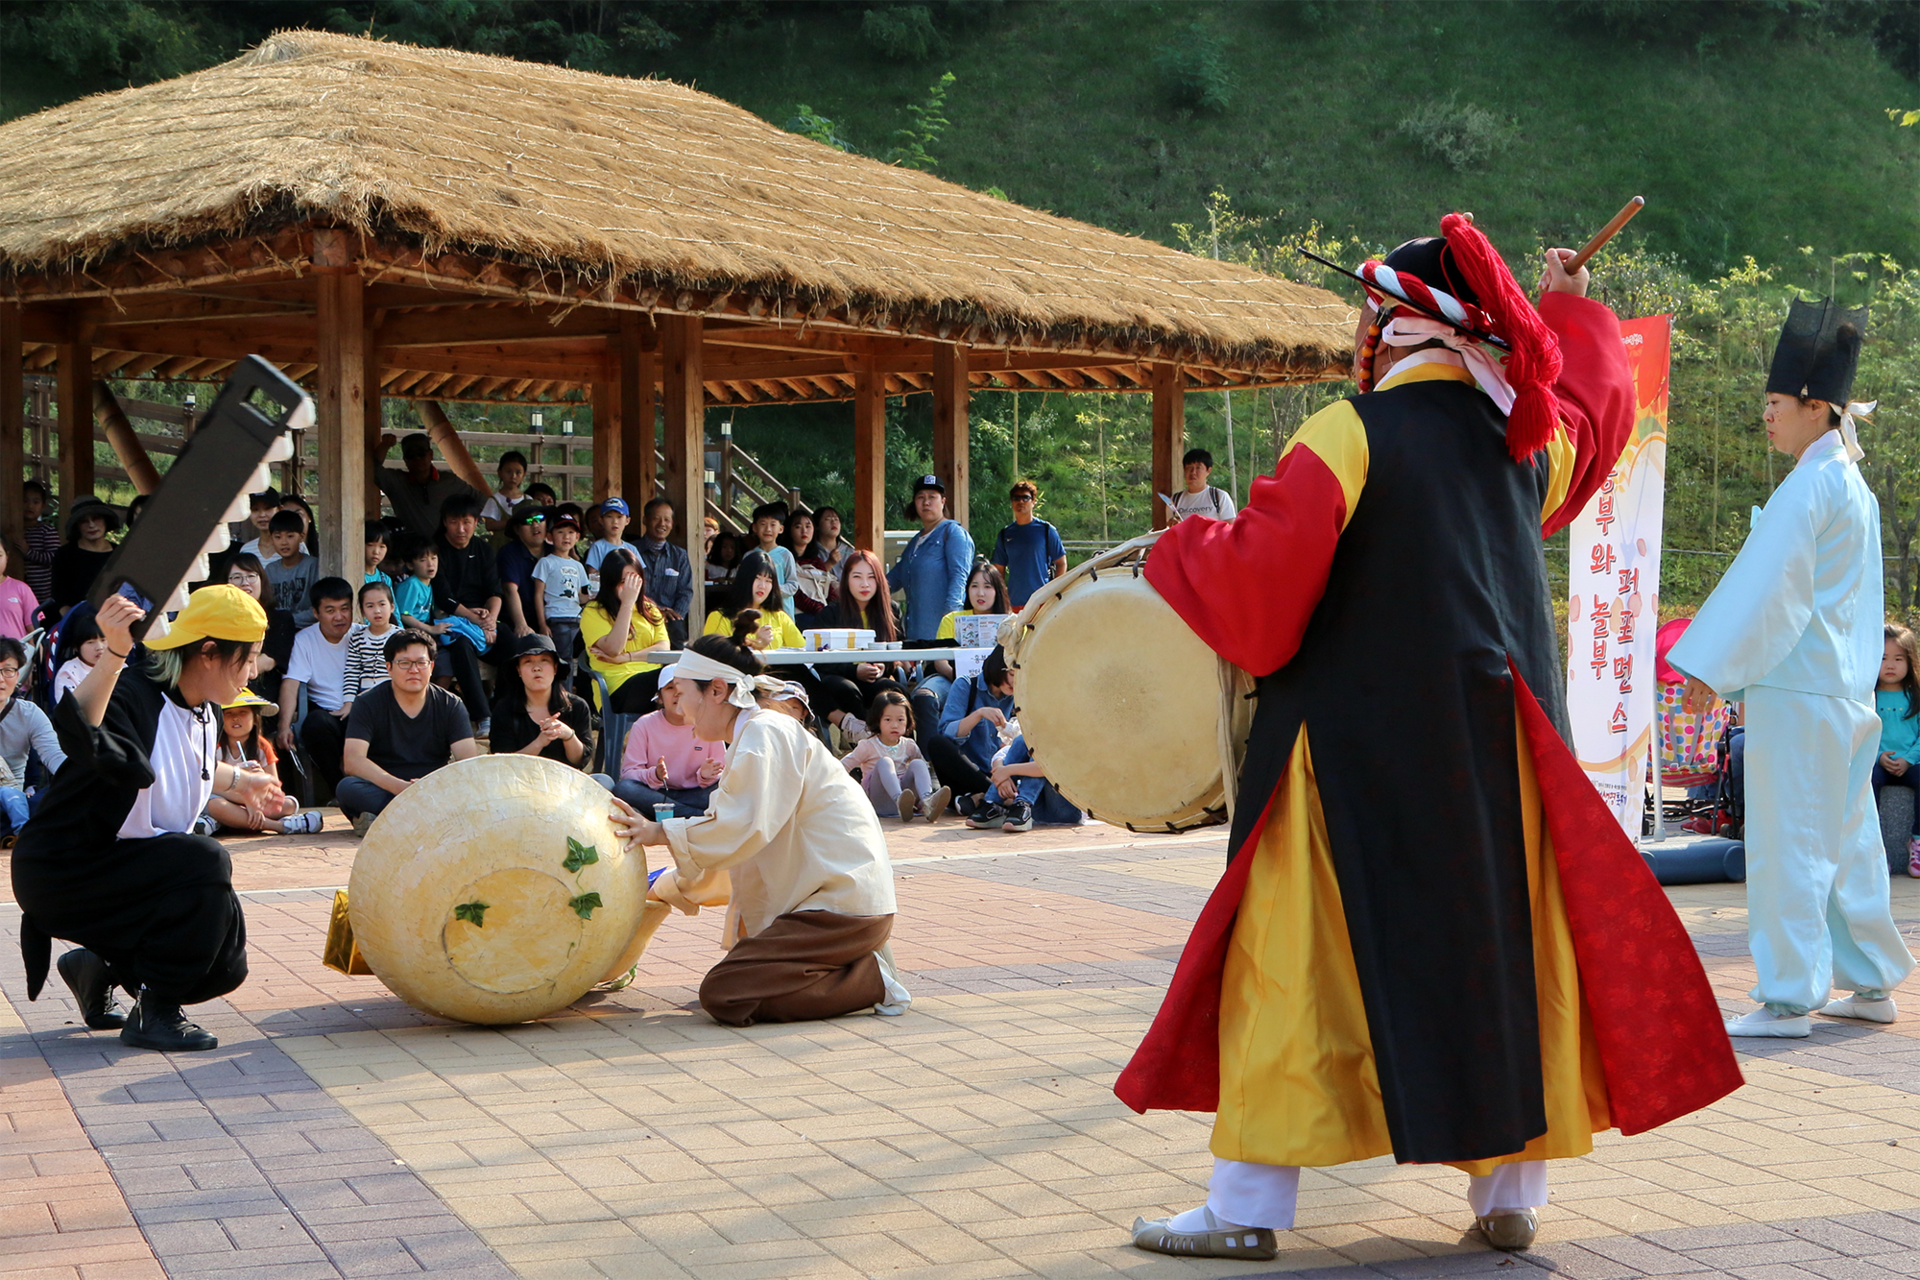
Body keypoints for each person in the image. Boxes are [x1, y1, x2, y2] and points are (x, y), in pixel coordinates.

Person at [1118, 222, 1742, 1259]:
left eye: (1370, 314)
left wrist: (1187, 545)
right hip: (1500, 758)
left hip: (1350, 755)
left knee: (1293, 963)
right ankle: (1508, 1196)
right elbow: (1596, 411)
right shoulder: (1519, 448)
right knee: (1499, 958)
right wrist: (1568, 309)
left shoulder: (1349, 431)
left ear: (1394, 326)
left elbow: (1265, 593)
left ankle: (1246, 1207)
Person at [1670, 296, 1915, 1039]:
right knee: (1845, 842)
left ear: (1814, 406)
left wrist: (1709, 669)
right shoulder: (1850, 486)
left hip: (1802, 692)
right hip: (1839, 691)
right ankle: (1870, 982)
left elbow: (1770, 590)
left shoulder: (1811, 485)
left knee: (1790, 848)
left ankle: (1788, 996)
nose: (1767, 416)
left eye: (1775, 403)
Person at [13, 586, 281, 1052]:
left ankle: (97, 968)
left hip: (128, 867)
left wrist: (239, 779)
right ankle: (154, 1012)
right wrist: (116, 650)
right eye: (249, 657)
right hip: (65, 868)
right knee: (203, 860)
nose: (254, 671)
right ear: (209, 652)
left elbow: (169, 762)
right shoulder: (133, 691)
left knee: (225, 965)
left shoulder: (206, 709)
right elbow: (80, 728)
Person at [609, 623, 911, 1025]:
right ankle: (854, 969)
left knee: (725, 994)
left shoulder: (764, 733)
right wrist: (665, 886)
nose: (678, 708)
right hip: (834, 907)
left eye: (682, 694)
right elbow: (737, 845)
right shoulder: (755, 734)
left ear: (717, 690)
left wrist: (661, 832)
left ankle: (872, 980)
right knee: (737, 984)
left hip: (839, 909)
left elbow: (739, 829)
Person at [339, 630, 478, 831]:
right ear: (389, 668)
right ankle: (423, 819)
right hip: (387, 787)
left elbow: (467, 762)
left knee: (471, 789)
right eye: (404, 663)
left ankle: (390, 821)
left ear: (431, 667)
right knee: (348, 788)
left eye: (421, 663)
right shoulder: (367, 702)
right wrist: (401, 789)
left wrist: (430, 788)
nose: (413, 670)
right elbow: (353, 761)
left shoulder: (451, 705)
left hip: (434, 788)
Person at [802, 550, 907, 740]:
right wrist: (854, 670)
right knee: (846, 689)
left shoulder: (891, 611)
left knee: (892, 690)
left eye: (871, 577)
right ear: (846, 580)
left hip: (875, 677)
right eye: (857, 577)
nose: (864, 584)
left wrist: (884, 666)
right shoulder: (831, 613)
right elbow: (817, 660)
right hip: (840, 676)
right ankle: (866, 744)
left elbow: (898, 652)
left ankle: (906, 748)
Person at [200, 692, 324, 836]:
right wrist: (247, 800)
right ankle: (278, 826)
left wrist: (260, 780)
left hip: (257, 802)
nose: (235, 718)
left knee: (289, 804)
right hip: (227, 799)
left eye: (243, 712)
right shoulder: (215, 747)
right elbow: (210, 788)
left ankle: (226, 822)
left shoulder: (262, 746)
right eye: (229, 713)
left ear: (254, 718)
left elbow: (274, 786)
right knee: (215, 805)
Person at [430, 494, 503, 734]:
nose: (460, 529)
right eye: (454, 522)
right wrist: (475, 619)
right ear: (444, 522)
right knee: (461, 647)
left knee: (514, 644)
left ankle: (507, 709)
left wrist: (491, 622)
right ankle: (483, 717)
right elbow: (443, 597)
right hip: (451, 618)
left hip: (483, 618)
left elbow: (495, 590)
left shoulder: (482, 549)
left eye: (466, 522)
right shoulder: (436, 549)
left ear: (476, 522)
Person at [614, 663, 727, 818]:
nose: (677, 694)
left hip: (696, 794)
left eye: (682, 689)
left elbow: (723, 772)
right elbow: (628, 773)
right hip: (656, 793)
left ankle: (668, 814)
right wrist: (654, 774)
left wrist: (707, 776)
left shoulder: (709, 723)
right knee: (624, 789)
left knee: (722, 790)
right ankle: (695, 816)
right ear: (659, 697)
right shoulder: (644, 724)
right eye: (670, 688)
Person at [277, 578, 356, 795]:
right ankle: (338, 791)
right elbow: (291, 684)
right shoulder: (304, 640)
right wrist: (284, 726)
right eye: (330, 610)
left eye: (344, 609)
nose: (339, 617)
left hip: (360, 713)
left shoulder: (363, 636)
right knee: (314, 725)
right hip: (327, 714)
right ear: (316, 612)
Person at [914, 562, 1012, 735]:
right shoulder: (951, 619)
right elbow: (940, 661)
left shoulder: (1011, 622)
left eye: (987, 586)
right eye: (974, 586)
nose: (980, 593)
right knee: (924, 697)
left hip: (1001, 683)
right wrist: (960, 679)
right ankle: (929, 757)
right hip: (952, 678)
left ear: (998, 590)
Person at [929, 646, 1016, 822]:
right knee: (937, 744)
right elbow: (947, 733)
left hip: (1000, 769)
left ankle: (976, 800)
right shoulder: (966, 685)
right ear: (999, 668)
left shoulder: (1019, 696)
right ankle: (996, 794)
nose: (1016, 682)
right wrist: (979, 714)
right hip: (967, 770)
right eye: (1013, 674)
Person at [487, 633, 595, 772]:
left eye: (544, 660)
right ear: (518, 670)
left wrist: (568, 735)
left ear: (555, 668)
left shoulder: (577, 707)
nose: (536, 668)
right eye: (528, 662)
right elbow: (503, 765)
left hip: (565, 785)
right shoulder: (504, 710)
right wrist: (539, 743)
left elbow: (580, 761)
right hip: (519, 785)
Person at [580, 548, 670, 712]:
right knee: (674, 680)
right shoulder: (594, 611)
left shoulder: (650, 609)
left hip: (656, 681)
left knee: (685, 678)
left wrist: (627, 658)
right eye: (623, 582)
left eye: (634, 580)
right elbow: (614, 648)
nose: (630, 587)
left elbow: (663, 649)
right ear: (610, 582)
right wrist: (627, 604)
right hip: (618, 687)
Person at [887, 475, 973, 641]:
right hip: (915, 634)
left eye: (932, 497)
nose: (926, 502)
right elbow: (893, 579)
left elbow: (960, 578)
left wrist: (951, 619)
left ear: (943, 501)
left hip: (943, 634)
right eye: (921, 497)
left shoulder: (954, 534)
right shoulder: (914, 542)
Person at [842, 689, 949, 822]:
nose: (894, 725)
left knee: (918, 763)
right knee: (885, 762)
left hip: (907, 801)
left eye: (900, 720)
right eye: (888, 719)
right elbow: (842, 767)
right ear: (877, 721)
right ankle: (899, 800)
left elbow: (922, 773)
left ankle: (927, 802)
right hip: (879, 801)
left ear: (907, 721)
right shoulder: (867, 746)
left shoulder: (909, 745)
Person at [0, 637, 64, 828]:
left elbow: (56, 758)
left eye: (8, 670)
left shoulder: (30, 714)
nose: (1, 679)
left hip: (15, 801)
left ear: (18, 674)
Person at [1871, 625, 1920, 876]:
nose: (1890, 665)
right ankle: (1874, 849)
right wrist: (1878, 755)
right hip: (1877, 762)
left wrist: (1909, 759)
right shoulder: (1867, 696)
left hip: (1911, 762)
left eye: (1898, 659)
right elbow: (1863, 731)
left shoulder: (1915, 696)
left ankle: (1917, 841)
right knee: (1866, 783)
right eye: (1882, 658)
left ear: (1910, 661)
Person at [376, 431, 480, 540]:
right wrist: (384, 445)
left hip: (446, 548)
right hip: (410, 549)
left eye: (421, 453)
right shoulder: (396, 482)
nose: (417, 458)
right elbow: (372, 470)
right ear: (405, 460)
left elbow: (481, 500)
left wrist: (463, 524)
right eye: (411, 455)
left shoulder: (449, 481)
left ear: (430, 454)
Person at [226, 554, 294, 705]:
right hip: (223, 692)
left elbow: (269, 660)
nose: (245, 583)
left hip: (260, 694)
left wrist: (231, 674)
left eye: (251, 576)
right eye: (236, 577)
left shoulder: (280, 619)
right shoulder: (218, 619)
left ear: (261, 580)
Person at [704, 551, 805, 650]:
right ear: (745, 579)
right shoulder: (719, 618)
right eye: (757, 578)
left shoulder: (780, 617)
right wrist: (756, 645)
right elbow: (714, 658)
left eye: (768, 581)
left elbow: (802, 652)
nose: (762, 586)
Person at [982, 734, 1081, 833]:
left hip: (1066, 811)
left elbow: (1046, 768)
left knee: (1041, 752)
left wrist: (1008, 770)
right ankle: (992, 804)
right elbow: (1000, 756)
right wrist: (1002, 776)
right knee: (1022, 740)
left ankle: (1023, 803)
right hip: (1036, 812)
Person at [991, 481, 1067, 609]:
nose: (1020, 502)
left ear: (1033, 502)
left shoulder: (1046, 530)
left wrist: (1054, 592)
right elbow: (999, 571)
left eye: (1025, 498)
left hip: (1042, 602)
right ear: (1011, 503)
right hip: (1014, 602)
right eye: (1016, 498)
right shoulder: (1005, 534)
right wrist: (1002, 599)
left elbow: (1061, 563)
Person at [634, 498, 695, 647]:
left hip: (670, 619)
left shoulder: (680, 555)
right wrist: (654, 611)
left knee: (677, 637)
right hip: (638, 614)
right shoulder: (631, 551)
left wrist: (675, 613)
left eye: (667, 520)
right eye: (656, 519)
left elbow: (685, 591)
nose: (662, 524)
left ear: (672, 523)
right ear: (645, 520)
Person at [532, 512, 588, 669]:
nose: (566, 537)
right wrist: (542, 624)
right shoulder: (546, 562)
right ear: (550, 537)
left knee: (583, 657)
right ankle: (563, 692)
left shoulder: (578, 565)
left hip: (578, 620)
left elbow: (581, 596)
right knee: (563, 659)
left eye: (571, 532)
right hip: (557, 618)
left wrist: (594, 597)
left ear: (577, 537)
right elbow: (538, 594)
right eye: (560, 532)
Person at [51, 496, 120, 618]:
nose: (91, 525)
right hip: (77, 622)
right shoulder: (64, 554)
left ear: (105, 520)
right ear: (77, 526)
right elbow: (59, 597)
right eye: (84, 521)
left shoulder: (120, 553)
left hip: (115, 619)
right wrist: (72, 622)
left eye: (96, 518)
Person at [342, 580, 401, 710]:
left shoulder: (400, 637)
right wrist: (348, 703)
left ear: (392, 607)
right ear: (362, 611)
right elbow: (352, 671)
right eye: (370, 606)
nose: (377, 611)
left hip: (393, 694)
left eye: (382, 604)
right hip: (365, 695)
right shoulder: (357, 638)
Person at [497, 506, 548, 639]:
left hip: (553, 621)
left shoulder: (555, 550)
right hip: (518, 621)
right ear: (517, 529)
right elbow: (510, 590)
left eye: (539, 518)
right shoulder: (508, 553)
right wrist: (521, 625)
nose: (535, 524)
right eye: (528, 521)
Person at [262, 510, 318, 627]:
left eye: (290, 536)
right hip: (277, 629)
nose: (284, 542)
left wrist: (286, 620)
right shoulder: (270, 570)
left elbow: (318, 608)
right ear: (271, 539)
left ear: (301, 537)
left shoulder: (312, 566)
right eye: (278, 537)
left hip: (306, 629)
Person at [746, 502, 799, 613]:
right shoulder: (749, 556)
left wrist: (772, 589)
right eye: (763, 524)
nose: (768, 529)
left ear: (781, 529)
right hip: (757, 611)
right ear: (754, 527)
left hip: (782, 611)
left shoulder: (785, 555)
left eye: (773, 524)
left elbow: (793, 585)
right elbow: (743, 584)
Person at [1168, 446, 1238, 523]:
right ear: (1184, 470)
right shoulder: (1174, 500)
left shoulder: (1219, 496)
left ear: (1208, 470)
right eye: (1189, 467)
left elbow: (1230, 528)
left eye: (1198, 467)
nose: (1193, 472)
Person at [50, 608, 104, 704]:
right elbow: (68, 709)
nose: (99, 647)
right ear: (76, 647)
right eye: (90, 642)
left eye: (103, 640)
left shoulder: (120, 666)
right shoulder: (69, 672)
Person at [783, 509, 829, 617]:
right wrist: (819, 609)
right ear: (789, 530)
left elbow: (828, 587)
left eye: (808, 526)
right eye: (798, 527)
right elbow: (794, 593)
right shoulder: (784, 558)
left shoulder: (816, 561)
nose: (804, 531)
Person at [22, 480, 58, 604]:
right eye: (25, 501)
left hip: (41, 594)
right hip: (17, 593)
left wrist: (29, 553)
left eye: (35, 502)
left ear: (43, 505)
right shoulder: (13, 531)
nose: (30, 506)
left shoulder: (47, 531)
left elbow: (54, 558)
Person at [480, 450, 530, 534]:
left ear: (524, 474)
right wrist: (514, 521)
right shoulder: (495, 499)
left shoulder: (528, 499)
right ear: (500, 473)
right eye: (508, 472)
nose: (513, 476)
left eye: (518, 472)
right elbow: (489, 525)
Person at [0, 540, 41, 641]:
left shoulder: (21, 589)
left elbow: (34, 631)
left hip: (17, 654)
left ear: (7, 557)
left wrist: (36, 651)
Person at [585, 496, 634, 576]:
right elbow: (593, 576)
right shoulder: (597, 547)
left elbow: (639, 575)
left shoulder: (632, 549)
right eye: (609, 517)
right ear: (601, 520)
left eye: (619, 517)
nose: (615, 522)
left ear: (627, 521)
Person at [233, 488, 282, 564]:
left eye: (268, 508)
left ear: (279, 510)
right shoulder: (247, 550)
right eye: (255, 509)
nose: (262, 515)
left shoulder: (295, 546)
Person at [363, 519, 394, 592]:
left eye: (382, 546)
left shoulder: (385, 579)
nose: (376, 552)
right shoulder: (353, 576)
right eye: (370, 545)